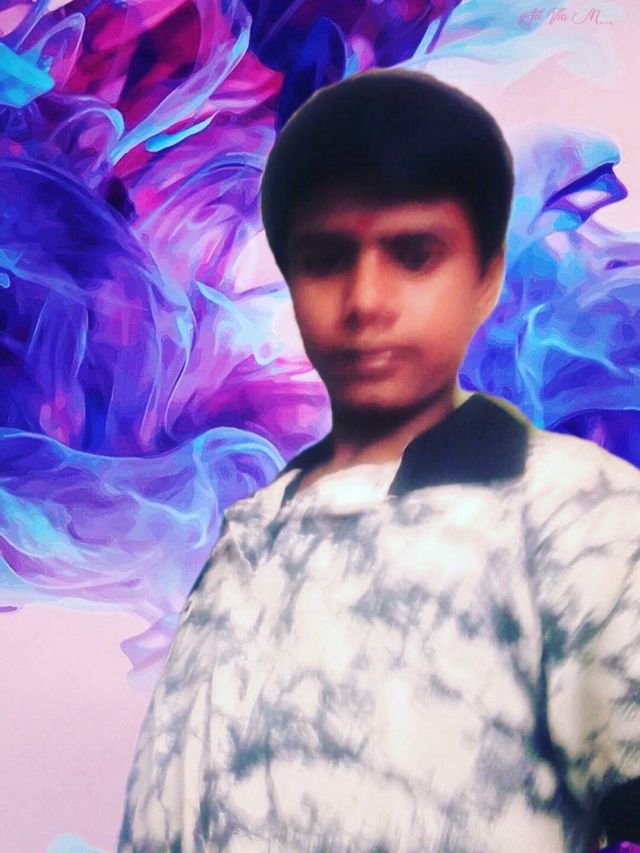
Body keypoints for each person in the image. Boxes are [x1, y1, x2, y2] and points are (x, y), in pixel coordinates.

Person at [118, 69, 640, 852]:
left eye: (415, 254)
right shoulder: (247, 537)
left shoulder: (579, 515)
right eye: (327, 257)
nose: (365, 299)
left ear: (487, 275)